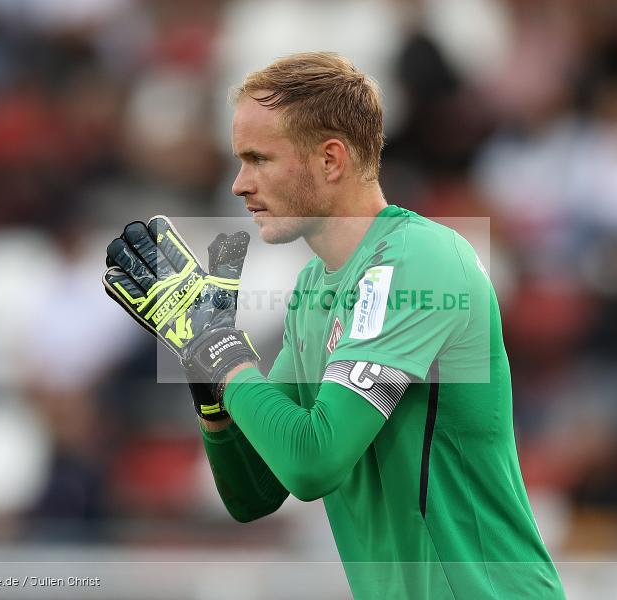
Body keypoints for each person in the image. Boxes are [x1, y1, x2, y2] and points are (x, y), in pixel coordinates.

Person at [104, 52, 565, 599]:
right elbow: (256, 491)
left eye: (259, 159)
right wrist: (206, 376)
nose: (239, 184)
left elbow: (313, 462)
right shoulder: (314, 289)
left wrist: (220, 349)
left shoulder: (419, 261)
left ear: (330, 160)